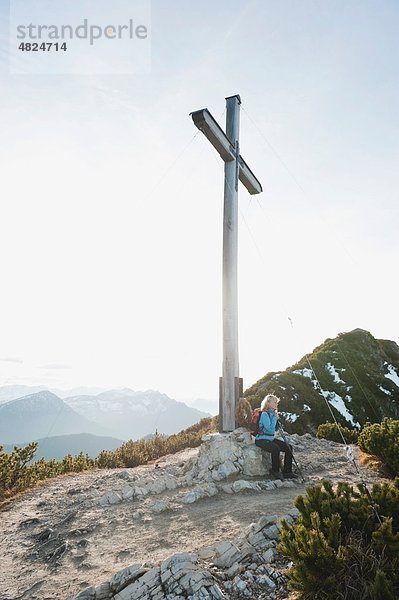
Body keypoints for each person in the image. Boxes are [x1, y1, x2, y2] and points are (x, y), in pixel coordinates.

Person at [255, 394, 298, 480]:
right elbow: (269, 429)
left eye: (276, 402)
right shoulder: (264, 414)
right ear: (268, 403)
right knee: (276, 448)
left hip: (269, 438)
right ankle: (275, 471)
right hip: (261, 439)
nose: (276, 404)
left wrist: (277, 422)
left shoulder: (272, 414)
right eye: (274, 402)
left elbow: (273, 429)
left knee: (288, 447)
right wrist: (275, 418)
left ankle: (287, 472)